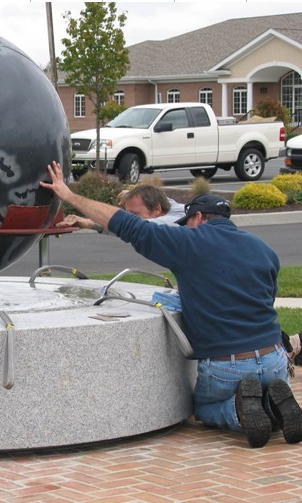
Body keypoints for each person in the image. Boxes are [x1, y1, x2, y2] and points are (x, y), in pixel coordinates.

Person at [41, 160, 302, 448]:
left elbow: (126, 224)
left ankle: (241, 410)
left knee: (202, 411)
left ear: (199, 217)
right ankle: (274, 402)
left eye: (186, 222)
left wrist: (69, 195)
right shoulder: (264, 250)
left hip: (227, 365)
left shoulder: (188, 243)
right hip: (274, 357)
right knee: (263, 383)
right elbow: (264, 297)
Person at [60, 183, 186, 232]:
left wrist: (69, 196)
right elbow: (166, 199)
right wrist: (133, 193)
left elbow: (129, 226)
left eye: (135, 214)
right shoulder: (170, 207)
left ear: (157, 209)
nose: (130, 218)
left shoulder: (177, 221)